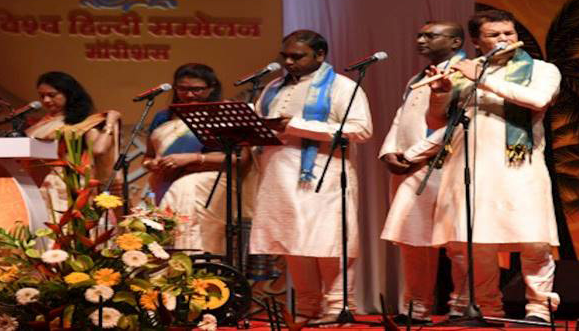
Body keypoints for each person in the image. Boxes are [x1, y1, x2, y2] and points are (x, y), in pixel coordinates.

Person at [406, 9, 561, 322]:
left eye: (509, 33)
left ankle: (539, 309)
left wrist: (482, 79)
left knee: (534, 241)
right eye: (494, 35)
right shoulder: (463, 71)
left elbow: (537, 100)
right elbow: (437, 123)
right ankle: (488, 309)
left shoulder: (542, 70)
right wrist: (440, 95)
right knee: (476, 244)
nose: (504, 39)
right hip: (468, 169)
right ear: (477, 42)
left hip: (519, 167)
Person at [250, 30, 373, 321]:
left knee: (329, 240)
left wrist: (296, 125)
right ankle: (307, 307)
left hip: (323, 175)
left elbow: (361, 130)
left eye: (297, 56)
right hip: (278, 176)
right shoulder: (272, 88)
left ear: (320, 55)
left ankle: (339, 306)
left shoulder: (342, 87)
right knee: (292, 241)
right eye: (285, 56)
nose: (288, 62)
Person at [378, 21, 467, 324]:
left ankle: (461, 307)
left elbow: (457, 124)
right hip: (410, 169)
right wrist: (389, 151)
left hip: (446, 167)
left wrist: (413, 154)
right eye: (419, 34)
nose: (420, 40)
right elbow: (401, 118)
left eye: (431, 35)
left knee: (456, 243)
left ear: (455, 42)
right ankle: (417, 309)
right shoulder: (417, 77)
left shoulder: (465, 74)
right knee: (412, 239)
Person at [143, 63, 253, 254]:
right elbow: (148, 157)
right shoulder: (163, 117)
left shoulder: (224, 114)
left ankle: (198, 267)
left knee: (197, 231)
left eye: (197, 90)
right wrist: (152, 164)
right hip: (164, 181)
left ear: (211, 88)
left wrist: (194, 158)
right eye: (182, 89)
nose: (189, 95)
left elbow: (241, 158)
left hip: (209, 183)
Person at [25, 71, 121, 219]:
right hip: (44, 184)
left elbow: (99, 149)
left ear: (68, 93)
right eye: (42, 96)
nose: (46, 100)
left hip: (72, 186)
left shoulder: (86, 122)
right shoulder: (44, 122)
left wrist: (110, 123)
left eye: (52, 95)